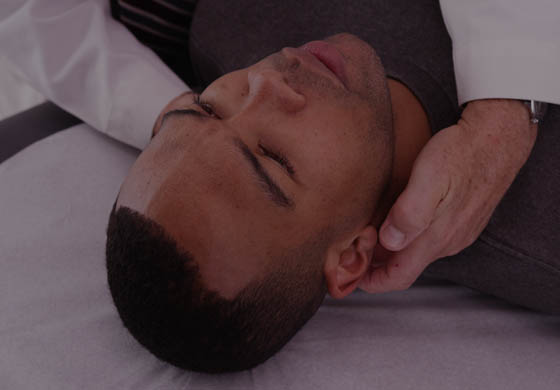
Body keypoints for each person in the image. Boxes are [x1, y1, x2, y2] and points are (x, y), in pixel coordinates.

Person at [1, 0, 559, 373]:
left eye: (206, 106)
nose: (266, 79)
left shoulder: (229, 23)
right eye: (272, 158)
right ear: (352, 258)